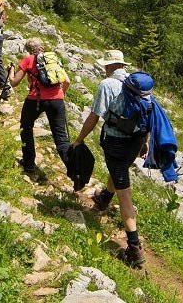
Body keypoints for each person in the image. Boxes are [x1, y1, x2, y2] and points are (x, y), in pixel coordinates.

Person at [72, 49, 148, 267]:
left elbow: (95, 116)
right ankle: (104, 197)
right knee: (119, 170)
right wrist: (145, 142)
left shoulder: (108, 85)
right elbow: (147, 115)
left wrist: (79, 139)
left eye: (105, 65)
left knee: (125, 192)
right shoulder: (139, 85)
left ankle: (134, 246)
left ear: (110, 66)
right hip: (135, 140)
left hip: (116, 143)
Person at [7, 37, 71, 174]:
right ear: (42, 47)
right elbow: (67, 81)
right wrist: (61, 95)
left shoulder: (28, 60)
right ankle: (76, 172)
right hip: (57, 100)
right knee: (61, 138)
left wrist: (11, 70)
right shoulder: (53, 59)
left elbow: (14, 82)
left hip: (35, 99)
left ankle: (29, 163)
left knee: (26, 126)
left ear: (29, 50)